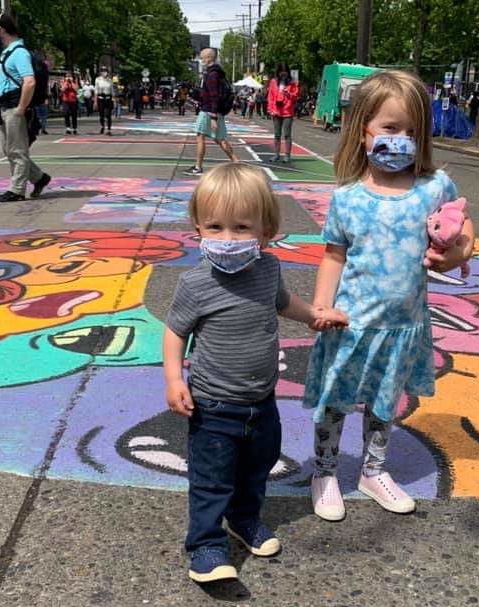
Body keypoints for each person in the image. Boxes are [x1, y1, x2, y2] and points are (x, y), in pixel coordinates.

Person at [303, 70, 475, 521]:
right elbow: (333, 257)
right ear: (363, 131)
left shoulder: (435, 188)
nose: (401, 139)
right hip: (351, 323)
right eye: (391, 128)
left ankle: (373, 470)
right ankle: (324, 470)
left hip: (403, 325)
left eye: (413, 131)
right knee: (336, 398)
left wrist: (456, 256)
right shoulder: (347, 199)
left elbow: (465, 233)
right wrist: (322, 307)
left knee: (385, 401)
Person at [163, 162, 348, 583]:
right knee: (211, 478)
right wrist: (174, 379)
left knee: (256, 467)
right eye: (215, 227)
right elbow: (175, 332)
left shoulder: (267, 269)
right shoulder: (196, 283)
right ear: (197, 227)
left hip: (262, 401)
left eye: (241, 228)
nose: (227, 239)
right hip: (213, 405)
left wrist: (314, 316)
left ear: (267, 231)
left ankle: (244, 520)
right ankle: (206, 546)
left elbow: (283, 303)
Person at [0, 13, 51, 203]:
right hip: (4, 106)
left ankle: (17, 190)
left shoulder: (19, 53)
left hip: (14, 106)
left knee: (17, 151)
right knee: (9, 150)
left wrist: (20, 108)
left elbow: (29, 81)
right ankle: (40, 178)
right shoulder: (8, 51)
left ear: (1, 29)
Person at [183, 48, 238, 176]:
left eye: (202, 58)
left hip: (208, 111)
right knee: (220, 139)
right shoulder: (216, 73)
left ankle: (198, 167)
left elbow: (214, 96)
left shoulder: (212, 74)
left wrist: (213, 117)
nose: (201, 60)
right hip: (213, 111)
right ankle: (237, 162)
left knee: (200, 136)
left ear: (209, 58)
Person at [267, 67, 299, 163]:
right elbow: (271, 96)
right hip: (276, 112)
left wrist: (288, 93)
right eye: (281, 71)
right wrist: (271, 109)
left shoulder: (292, 83)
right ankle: (276, 154)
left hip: (287, 112)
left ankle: (287, 155)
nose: (283, 73)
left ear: (288, 73)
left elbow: (296, 96)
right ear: (278, 72)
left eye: (285, 72)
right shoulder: (273, 82)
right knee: (277, 134)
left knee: (287, 134)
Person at [95, 67, 114, 135]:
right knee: (101, 115)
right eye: (103, 71)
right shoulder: (98, 79)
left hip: (108, 98)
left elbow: (112, 91)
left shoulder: (110, 80)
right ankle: (102, 126)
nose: (104, 72)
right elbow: (96, 91)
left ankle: (109, 130)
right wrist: (95, 101)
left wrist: (113, 100)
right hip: (101, 98)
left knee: (108, 115)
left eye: (105, 71)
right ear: (101, 72)